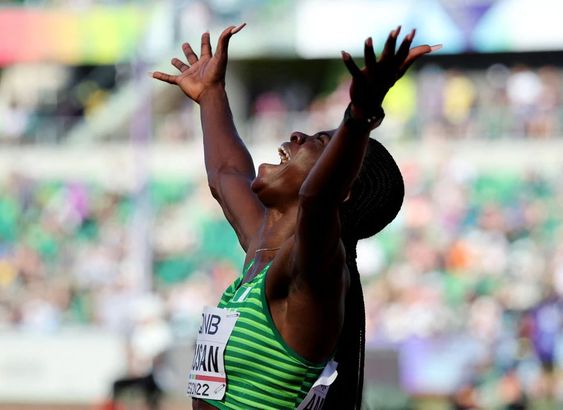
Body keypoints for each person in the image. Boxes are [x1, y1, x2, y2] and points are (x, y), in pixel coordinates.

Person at [152, 23, 438, 409]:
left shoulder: (312, 272)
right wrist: (211, 95)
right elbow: (226, 176)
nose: (299, 135)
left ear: (342, 187)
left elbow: (318, 199)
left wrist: (360, 114)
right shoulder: (264, 251)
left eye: (319, 142)